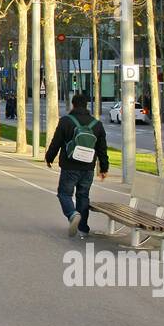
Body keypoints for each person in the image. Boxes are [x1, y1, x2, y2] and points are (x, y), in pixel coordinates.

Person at [45, 91, 109, 236]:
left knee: (64, 193)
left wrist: (49, 157)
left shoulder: (66, 121)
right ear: (86, 105)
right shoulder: (97, 124)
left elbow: (56, 142)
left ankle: (72, 214)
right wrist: (104, 168)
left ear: (73, 105)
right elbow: (102, 149)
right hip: (88, 168)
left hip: (69, 166)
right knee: (83, 196)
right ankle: (83, 229)